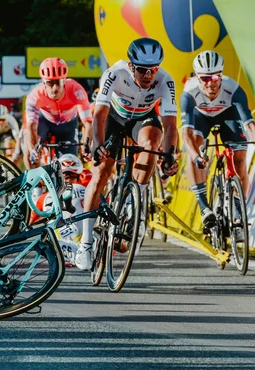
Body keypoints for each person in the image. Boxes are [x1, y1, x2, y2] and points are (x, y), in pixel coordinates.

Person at [80, 38, 179, 270]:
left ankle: (136, 202)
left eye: (153, 69)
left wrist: (169, 155)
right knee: (102, 171)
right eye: (143, 69)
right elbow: (99, 115)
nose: (148, 75)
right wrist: (97, 144)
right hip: (114, 118)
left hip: (142, 119)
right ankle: (85, 241)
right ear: (132, 65)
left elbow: (171, 125)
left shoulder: (166, 80)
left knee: (154, 141)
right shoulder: (114, 73)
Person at [180, 50, 255, 233]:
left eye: (216, 77)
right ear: (197, 77)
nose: (211, 83)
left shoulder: (233, 88)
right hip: (201, 116)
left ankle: (238, 208)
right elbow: (186, 134)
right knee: (194, 147)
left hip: (227, 115)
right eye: (205, 78)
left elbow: (250, 125)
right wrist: (196, 156)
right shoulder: (189, 92)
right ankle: (204, 207)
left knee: (239, 159)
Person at [23, 58, 92, 167]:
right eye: (50, 83)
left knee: (70, 165)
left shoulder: (76, 90)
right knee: (29, 147)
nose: (55, 88)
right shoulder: (35, 95)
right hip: (44, 121)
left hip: (68, 124)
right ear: (43, 82)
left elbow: (88, 122)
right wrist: (32, 150)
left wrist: (87, 145)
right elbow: (31, 125)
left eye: (58, 82)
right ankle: (33, 180)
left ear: (64, 80)